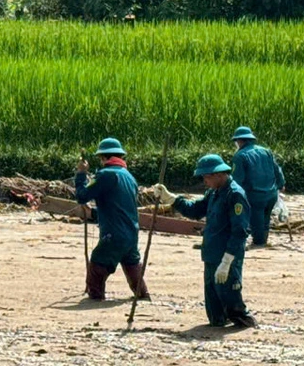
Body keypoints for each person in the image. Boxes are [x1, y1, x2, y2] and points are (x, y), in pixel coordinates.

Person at [153, 155, 256, 329]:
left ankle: (245, 324)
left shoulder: (235, 195)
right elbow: (195, 210)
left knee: (230, 295)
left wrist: (227, 261)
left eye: (206, 177)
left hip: (226, 255)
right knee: (214, 305)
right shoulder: (214, 193)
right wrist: (171, 198)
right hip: (211, 254)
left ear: (218, 174)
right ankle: (219, 322)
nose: (204, 181)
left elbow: (240, 231)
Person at [76, 137, 147, 301]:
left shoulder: (106, 175)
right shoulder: (129, 176)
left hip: (114, 233)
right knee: (132, 265)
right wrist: (94, 213)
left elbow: (81, 196)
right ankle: (143, 295)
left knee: (98, 264)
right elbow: (119, 206)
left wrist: (81, 174)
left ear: (103, 157)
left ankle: (95, 297)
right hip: (131, 232)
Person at [230, 126, 285, 248]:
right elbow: (277, 169)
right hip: (271, 193)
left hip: (255, 195)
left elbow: (237, 178)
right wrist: (281, 184)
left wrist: (230, 193)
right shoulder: (266, 151)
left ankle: (259, 242)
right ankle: (263, 240)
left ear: (239, 141)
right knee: (265, 218)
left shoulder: (240, 156)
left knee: (256, 219)